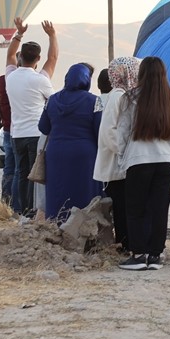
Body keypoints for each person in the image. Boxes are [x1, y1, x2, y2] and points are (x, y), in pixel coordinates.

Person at [100, 56, 170, 271]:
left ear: (142, 74)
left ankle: (138, 255)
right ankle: (156, 255)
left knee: (136, 209)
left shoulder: (130, 97)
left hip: (138, 160)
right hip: (165, 159)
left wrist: (122, 158)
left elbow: (123, 132)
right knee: (159, 209)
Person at [5, 18, 59, 218]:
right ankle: (36, 212)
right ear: (37, 60)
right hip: (36, 133)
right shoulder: (40, 80)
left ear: (20, 59)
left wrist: (19, 33)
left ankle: (23, 213)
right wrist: (52, 35)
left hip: (17, 133)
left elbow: (9, 53)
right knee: (37, 175)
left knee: (21, 173)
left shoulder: (10, 77)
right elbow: (52, 59)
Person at [38, 64, 102, 223]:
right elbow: (100, 130)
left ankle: (57, 223)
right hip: (84, 154)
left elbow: (43, 127)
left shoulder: (52, 100)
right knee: (84, 192)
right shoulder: (94, 101)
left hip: (56, 153)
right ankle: (82, 227)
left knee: (58, 190)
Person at [95, 56, 140, 252]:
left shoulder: (123, 95)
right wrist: (125, 152)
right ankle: (125, 243)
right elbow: (109, 131)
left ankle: (126, 241)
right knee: (122, 207)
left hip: (121, 162)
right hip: (118, 163)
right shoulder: (119, 96)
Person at [0, 74, 14, 201]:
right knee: (24, 169)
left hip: (7, 128)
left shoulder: (2, 80)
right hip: (26, 130)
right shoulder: (32, 78)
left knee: (9, 166)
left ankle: (6, 199)